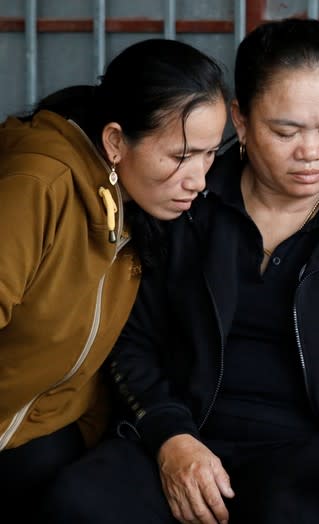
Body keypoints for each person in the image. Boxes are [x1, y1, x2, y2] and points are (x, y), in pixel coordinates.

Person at [41, 18, 319, 524]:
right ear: (242, 121)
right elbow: (131, 341)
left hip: (311, 453)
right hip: (186, 429)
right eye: (285, 131)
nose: (312, 152)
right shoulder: (186, 203)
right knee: (79, 501)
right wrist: (171, 439)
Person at [0, 39, 227, 520]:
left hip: (57, 430)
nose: (199, 179)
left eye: (210, 155)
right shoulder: (39, 186)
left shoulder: (134, 199)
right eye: (181, 156)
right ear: (116, 142)